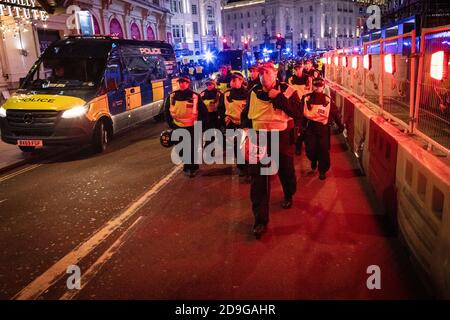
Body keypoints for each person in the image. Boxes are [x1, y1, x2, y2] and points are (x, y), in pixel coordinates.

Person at [241, 62, 302, 239]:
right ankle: (260, 220)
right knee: (258, 180)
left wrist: (278, 98)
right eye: (260, 74)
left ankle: (289, 193)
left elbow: (298, 112)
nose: (263, 77)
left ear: (275, 74)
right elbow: (246, 116)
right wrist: (244, 136)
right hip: (258, 138)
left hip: (281, 138)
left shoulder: (288, 90)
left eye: (266, 73)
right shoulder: (253, 92)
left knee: (286, 171)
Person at [164, 76, 209, 177]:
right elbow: (167, 111)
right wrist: (170, 124)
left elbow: (203, 112)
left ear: (188, 84)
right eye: (180, 82)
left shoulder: (195, 96)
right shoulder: (172, 96)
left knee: (191, 148)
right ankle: (189, 165)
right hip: (177, 126)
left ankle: (191, 168)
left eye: (184, 82)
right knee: (181, 149)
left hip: (192, 127)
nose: (182, 84)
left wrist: (201, 125)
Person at [301, 77, 344, 180]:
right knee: (310, 149)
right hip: (310, 127)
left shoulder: (328, 100)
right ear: (312, 86)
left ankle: (322, 170)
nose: (318, 88)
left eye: (320, 86)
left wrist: (340, 125)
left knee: (323, 150)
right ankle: (313, 159)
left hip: (323, 129)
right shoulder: (306, 98)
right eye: (316, 85)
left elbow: (335, 113)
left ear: (323, 87)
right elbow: (300, 114)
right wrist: (300, 127)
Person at [218, 71, 249, 178]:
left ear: (242, 81)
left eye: (236, 80)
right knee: (236, 147)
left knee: (246, 147)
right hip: (231, 124)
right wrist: (224, 117)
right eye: (232, 80)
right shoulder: (225, 94)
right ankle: (241, 167)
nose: (233, 82)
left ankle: (248, 166)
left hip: (245, 125)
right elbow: (221, 109)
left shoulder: (249, 94)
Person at [288, 63, 310, 155]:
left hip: (306, 106)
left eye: (299, 68)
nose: (297, 71)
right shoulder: (291, 79)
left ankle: (307, 145)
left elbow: (310, 91)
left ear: (302, 68)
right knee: (297, 128)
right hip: (296, 106)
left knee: (306, 128)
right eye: (296, 69)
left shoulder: (308, 79)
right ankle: (298, 146)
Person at [200, 79, 221, 149]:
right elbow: (200, 103)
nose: (209, 86)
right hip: (207, 115)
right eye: (207, 85)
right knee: (209, 131)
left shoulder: (218, 93)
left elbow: (218, 103)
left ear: (214, 84)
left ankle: (223, 145)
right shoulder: (203, 93)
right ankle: (209, 146)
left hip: (217, 115)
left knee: (219, 131)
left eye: (210, 84)